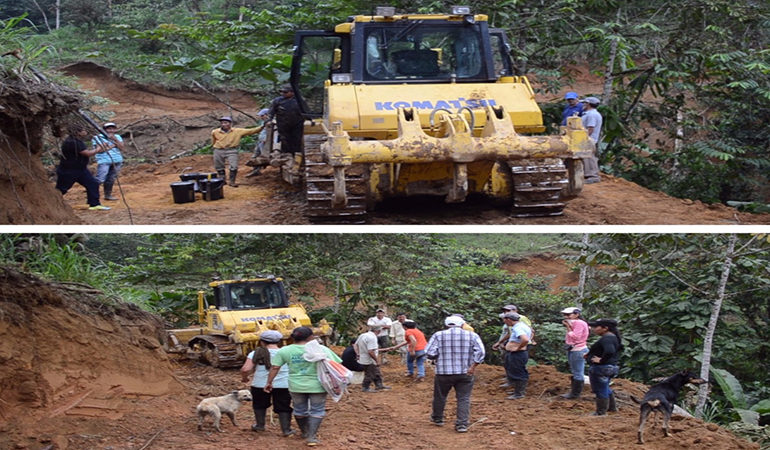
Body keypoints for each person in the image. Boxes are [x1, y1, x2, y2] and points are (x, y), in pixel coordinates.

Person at [266, 326, 341, 446]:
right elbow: (336, 364)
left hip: (296, 386)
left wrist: (269, 382)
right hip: (318, 385)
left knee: (300, 409)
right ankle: (311, 437)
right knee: (317, 409)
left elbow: (275, 367)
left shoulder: (285, 350)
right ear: (310, 337)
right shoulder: (321, 349)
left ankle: (305, 432)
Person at [425, 315, 485, 433]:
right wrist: (473, 366)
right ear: (462, 324)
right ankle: (462, 424)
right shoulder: (472, 335)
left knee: (440, 395)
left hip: (443, 372)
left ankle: (438, 418)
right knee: (463, 398)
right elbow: (481, 352)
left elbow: (428, 352)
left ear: (447, 325)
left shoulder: (438, 335)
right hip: (465, 372)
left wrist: (437, 356)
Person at [239, 330, 294, 436]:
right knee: (284, 406)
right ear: (279, 341)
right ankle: (286, 430)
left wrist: (245, 378)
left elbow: (245, 369)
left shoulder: (255, 353)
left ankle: (260, 426)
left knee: (259, 405)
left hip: (260, 384)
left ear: (262, 342)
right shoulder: (286, 352)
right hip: (283, 384)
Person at [55, 124, 110, 211]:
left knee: (92, 183)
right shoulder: (72, 142)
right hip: (69, 170)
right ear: (78, 132)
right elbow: (87, 153)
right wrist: (99, 147)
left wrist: (102, 148)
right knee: (62, 189)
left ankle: (94, 204)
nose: (85, 131)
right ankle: (52, 203)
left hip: (80, 169)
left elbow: (91, 152)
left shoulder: (78, 141)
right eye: (83, 130)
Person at [210, 115, 263, 187]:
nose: (224, 124)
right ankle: (222, 180)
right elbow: (213, 140)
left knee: (234, 166)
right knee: (219, 166)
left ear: (230, 123)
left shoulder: (237, 131)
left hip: (232, 150)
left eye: (226, 123)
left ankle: (232, 181)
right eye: (222, 123)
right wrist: (214, 148)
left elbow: (251, 131)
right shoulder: (215, 132)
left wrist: (262, 127)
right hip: (219, 150)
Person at [585, 318, 623, 416]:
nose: (594, 329)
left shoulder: (607, 338)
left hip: (602, 368)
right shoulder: (613, 337)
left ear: (605, 328)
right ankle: (612, 408)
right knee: (605, 386)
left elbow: (609, 351)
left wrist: (601, 360)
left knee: (600, 389)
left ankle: (601, 412)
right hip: (610, 367)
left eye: (596, 327)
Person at [559, 306, 589, 399]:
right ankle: (574, 392)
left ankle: (575, 394)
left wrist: (568, 327)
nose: (566, 317)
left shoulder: (579, 323)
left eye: (568, 314)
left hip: (578, 349)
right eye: (565, 315)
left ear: (576, 315)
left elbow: (576, 336)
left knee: (577, 372)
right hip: (574, 349)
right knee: (575, 371)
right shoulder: (576, 323)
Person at [91, 122, 124, 201]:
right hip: (104, 160)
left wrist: (115, 140)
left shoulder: (117, 137)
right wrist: (112, 145)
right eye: (109, 128)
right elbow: (99, 151)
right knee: (100, 179)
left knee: (111, 179)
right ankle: (92, 195)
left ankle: (107, 195)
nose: (111, 130)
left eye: (113, 128)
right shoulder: (98, 137)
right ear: (105, 129)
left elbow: (122, 148)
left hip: (117, 160)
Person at [502, 312, 532, 400]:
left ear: (508, 319)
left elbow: (525, 339)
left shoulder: (518, 328)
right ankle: (517, 391)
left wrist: (518, 348)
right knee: (515, 371)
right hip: (518, 353)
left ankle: (519, 393)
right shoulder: (521, 326)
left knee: (518, 372)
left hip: (518, 353)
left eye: (504, 319)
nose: (504, 322)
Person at [268, 84, 304, 155]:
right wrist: (268, 120)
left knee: (297, 141)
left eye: (285, 92)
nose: (283, 94)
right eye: (282, 92)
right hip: (283, 125)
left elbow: (306, 111)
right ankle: (286, 157)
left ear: (292, 92)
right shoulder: (277, 101)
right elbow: (271, 112)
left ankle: (297, 158)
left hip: (297, 125)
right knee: (284, 141)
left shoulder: (299, 100)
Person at [354, 324, 391, 392]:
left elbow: (355, 345)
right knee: (370, 373)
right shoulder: (372, 338)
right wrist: (376, 360)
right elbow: (370, 351)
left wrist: (358, 354)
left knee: (376, 372)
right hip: (369, 359)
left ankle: (379, 385)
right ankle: (365, 387)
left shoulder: (363, 335)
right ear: (378, 331)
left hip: (363, 357)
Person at [580, 96, 603, 184]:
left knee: (589, 157)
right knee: (587, 156)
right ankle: (588, 174)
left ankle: (593, 176)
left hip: (589, 139)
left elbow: (590, 128)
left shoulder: (592, 114)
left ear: (588, 104)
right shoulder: (589, 113)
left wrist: (584, 139)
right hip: (588, 139)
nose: (583, 105)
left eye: (584, 103)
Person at [246, 108, 272, 178]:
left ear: (267, 115)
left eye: (262, 115)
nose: (261, 117)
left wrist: (266, 139)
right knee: (255, 155)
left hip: (266, 143)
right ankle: (255, 170)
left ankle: (258, 169)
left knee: (262, 156)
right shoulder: (263, 122)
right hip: (260, 142)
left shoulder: (272, 123)